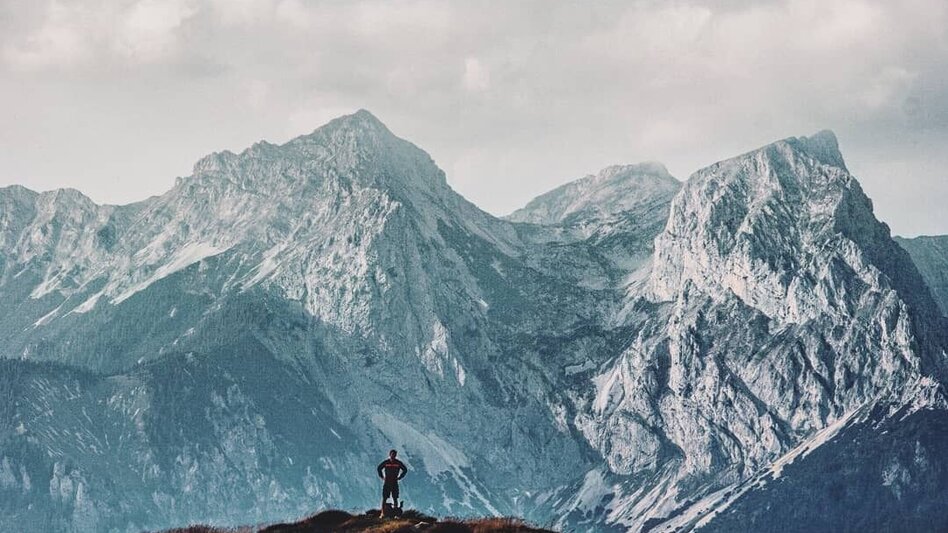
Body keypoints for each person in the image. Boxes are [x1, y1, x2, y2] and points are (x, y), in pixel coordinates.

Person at [377, 449, 408, 516]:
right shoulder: (386, 462)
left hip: (394, 482)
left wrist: (400, 477)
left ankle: (395, 514)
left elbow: (405, 470)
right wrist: (382, 476)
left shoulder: (398, 463)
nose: (393, 456)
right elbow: (379, 468)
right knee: (384, 497)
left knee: (395, 497)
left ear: (395, 455)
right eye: (392, 454)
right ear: (390, 455)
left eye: (394, 454)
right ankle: (382, 513)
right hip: (387, 481)